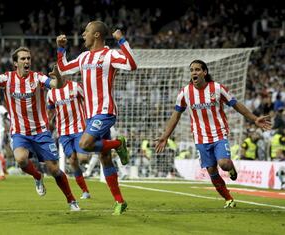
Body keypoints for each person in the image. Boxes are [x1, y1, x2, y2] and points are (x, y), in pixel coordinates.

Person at [0, 47, 80, 211]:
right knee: (21, 160)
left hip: (41, 131)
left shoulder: (37, 77)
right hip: (20, 131)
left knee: (54, 169)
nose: (27, 61)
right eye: (23, 59)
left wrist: (57, 75)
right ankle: (37, 176)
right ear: (15, 63)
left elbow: (56, 85)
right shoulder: (6, 78)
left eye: (28, 58)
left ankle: (71, 200)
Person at [155, 60, 272, 208]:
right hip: (200, 138)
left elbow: (235, 104)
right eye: (191, 70)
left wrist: (255, 119)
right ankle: (228, 198)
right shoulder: (185, 92)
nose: (194, 73)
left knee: (223, 163)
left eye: (197, 69)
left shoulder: (217, 88)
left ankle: (231, 167)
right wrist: (165, 136)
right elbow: (176, 115)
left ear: (205, 72)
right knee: (211, 170)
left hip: (219, 134)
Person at [56, 21, 137, 215]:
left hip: (105, 111)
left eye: (86, 31)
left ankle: (118, 144)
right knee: (104, 157)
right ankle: (120, 201)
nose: (83, 34)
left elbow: (132, 65)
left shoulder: (110, 54)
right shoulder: (84, 57)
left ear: (97, 35)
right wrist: (61, 48)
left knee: (84, 144)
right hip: (91, 115)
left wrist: (122, 40)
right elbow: (64, 69)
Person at [47, 78, 91, 199]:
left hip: (79, 129)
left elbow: (88, 100)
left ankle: (93, 146)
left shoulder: (76, 86)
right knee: (72, 161)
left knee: (83, 159)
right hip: (63, 132)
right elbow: (50, 111)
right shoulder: (51, 92)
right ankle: (85, 191)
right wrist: (48, 123)